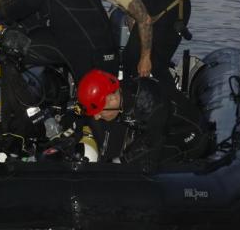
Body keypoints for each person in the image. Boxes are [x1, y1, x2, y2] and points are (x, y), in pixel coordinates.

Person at [76, 0, 190, 86]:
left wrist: (145, 59)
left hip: (173, 9)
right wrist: (134, 43)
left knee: (155, 65)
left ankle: (172, 100)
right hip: (151, 13)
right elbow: (132, 15)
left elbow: (144, 20)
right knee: (129, 60)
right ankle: (133, 95)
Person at [77, 69, 210, 170]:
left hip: (188, 136)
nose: (96, 117)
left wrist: (116, 164)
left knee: (142, 167)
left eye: (99, 112)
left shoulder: (150, 106)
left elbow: (151, 149)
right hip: (156, 130)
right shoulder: (122, 93)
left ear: (113, 99)